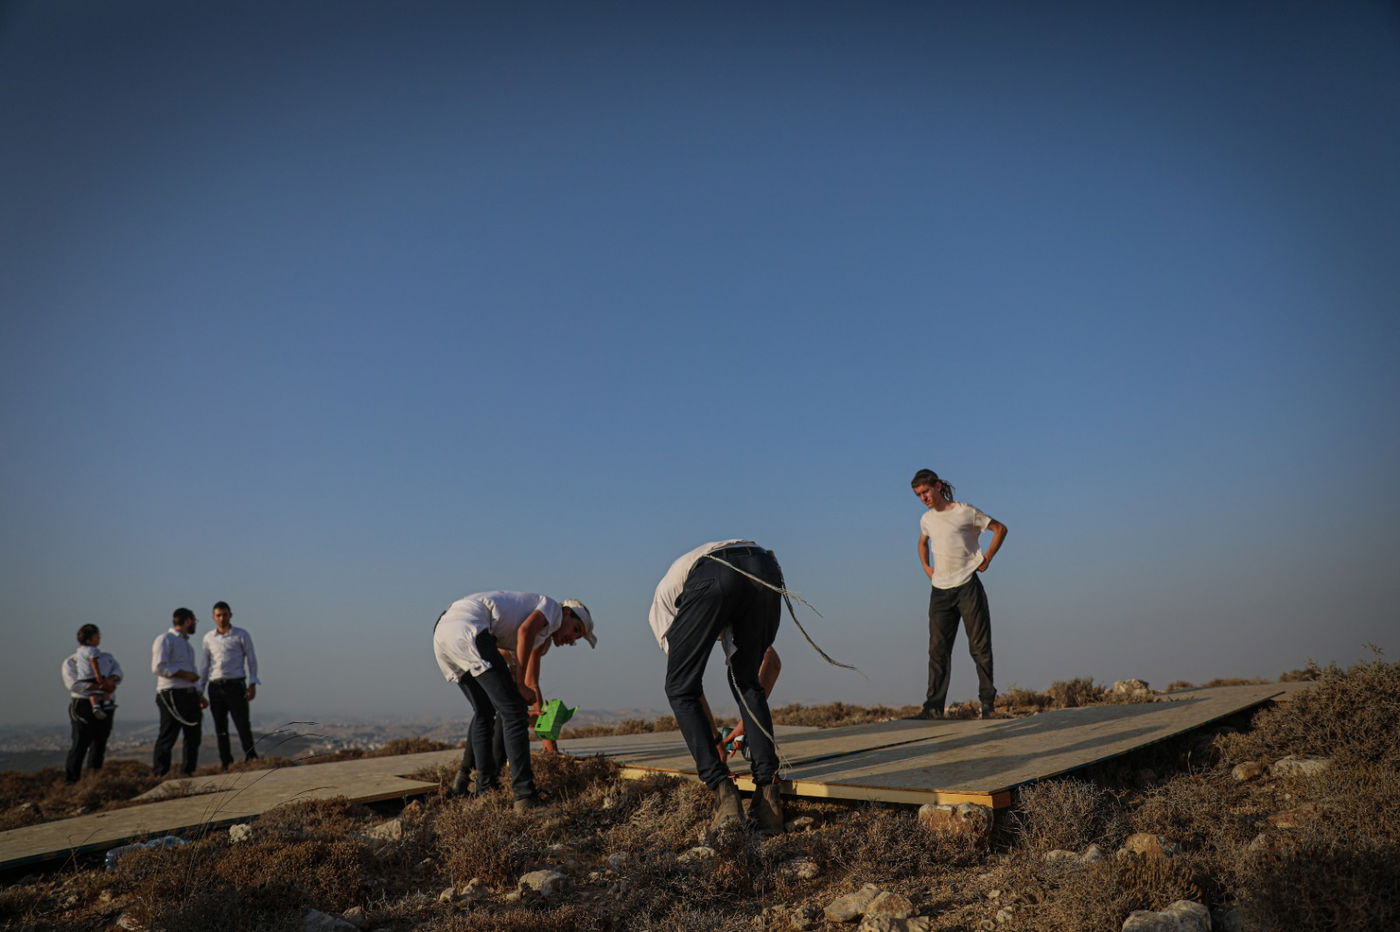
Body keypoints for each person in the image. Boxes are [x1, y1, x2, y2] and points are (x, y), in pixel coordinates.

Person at [649, 540, 786, 833]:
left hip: (716, 572)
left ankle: (723, 793)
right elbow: (770, 665)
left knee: (677, 686)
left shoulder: (664, 608)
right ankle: (768, 796)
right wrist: (743, 726)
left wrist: (714, 743)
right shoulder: (720, 611)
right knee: (745, 679)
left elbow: (688, 686)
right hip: (765, 568)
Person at [432, 592, 597, 811]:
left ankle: (484, 789)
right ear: (567, 613)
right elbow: (524, 632)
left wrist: (517, 688)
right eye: (576, 629)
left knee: (484, 710)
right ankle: (525, 796)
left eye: (578, 638)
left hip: (444, 633)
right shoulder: (553, 610)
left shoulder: (541, 633)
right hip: (469, 627)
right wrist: (519, 685)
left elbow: (518, 668)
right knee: (514, 713)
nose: (572, 638)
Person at [911, 468, 1008, 720]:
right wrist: (926, 566)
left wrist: (987, 558)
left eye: (926, 491)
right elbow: (922, 542)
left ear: (938, 486)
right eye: (918, 494)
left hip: (967, 586)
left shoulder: (965, 511)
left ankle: (988, 706)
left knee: (979, 646)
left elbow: (1000, 529)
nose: (923, 498)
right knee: (938, 650)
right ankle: (933, 708)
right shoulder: (926, 519)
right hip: (940, 591)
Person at [200, 600, 260, 770]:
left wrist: (252, 683)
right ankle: (226, 761)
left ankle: (251, 756)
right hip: (215, 686)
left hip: (236, 684)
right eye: (218, 615)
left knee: (242, 723)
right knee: (220, 726)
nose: (222, 618)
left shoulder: (241, 634)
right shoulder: (208, 638)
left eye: (225, 614)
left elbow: (252, 659)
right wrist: (200, 690)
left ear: (230, 615)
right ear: (213, 618)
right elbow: (204, 665)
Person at [60, 625, 124, 783]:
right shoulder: (71, 661)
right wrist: (99, 687)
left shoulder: (107, 657)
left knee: (99, 743)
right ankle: (72, 781)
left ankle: (93, 779)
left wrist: (111, 680)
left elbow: (118, 673)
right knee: (80, 743)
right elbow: (73, 685)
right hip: (82, 704)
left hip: (105, 703)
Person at [151, 607, 207, 777]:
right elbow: (158, 667)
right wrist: (184, 674)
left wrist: (199, 694)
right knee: (168, 735)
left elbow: (192, 671)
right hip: (171, 693)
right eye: (194, 621)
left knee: (193, 736)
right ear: (188, 621)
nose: (195, 625)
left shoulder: (186, 644)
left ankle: (187, 772)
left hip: (189, 694)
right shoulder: (165, 639)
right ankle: (159, 774)